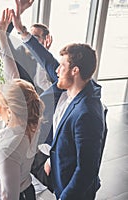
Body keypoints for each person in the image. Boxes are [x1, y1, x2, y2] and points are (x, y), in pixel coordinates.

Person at [11, 0, 106, 199]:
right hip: (58, 169)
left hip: (73, 189)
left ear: (75, 70)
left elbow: (86, 170)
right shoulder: (70, 86)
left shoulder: (88, 113)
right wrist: (21, 30)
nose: (56, 70)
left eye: (61, 66)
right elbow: (46, 59)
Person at [0, 9, 44, 200]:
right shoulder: (32, 121)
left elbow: (9, 196)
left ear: (8, 109)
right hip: (27, 190)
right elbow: (13, 77)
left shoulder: (7, 149)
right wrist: (2, 36)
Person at [0, 0, 53, 95]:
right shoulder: (18, 53)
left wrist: (43, 56)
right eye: (28, 34)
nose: (28, 39)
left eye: (34, 37)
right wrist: (19, 11)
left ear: (45, 40)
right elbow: (2, 37)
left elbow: (45, 86)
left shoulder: (49, 64)